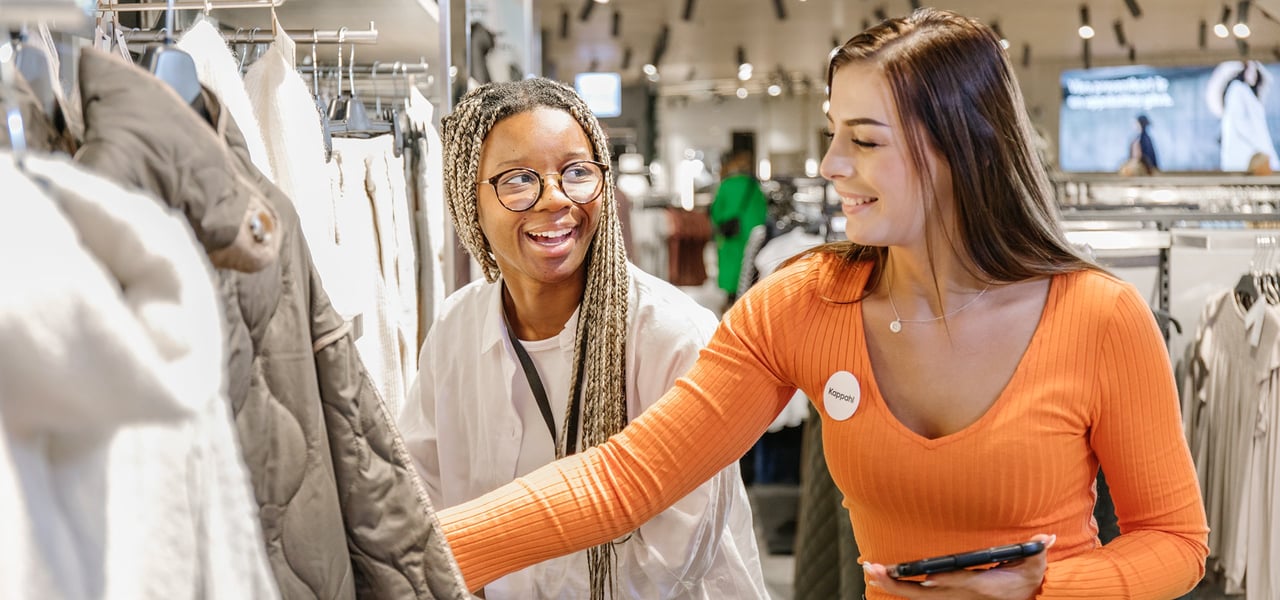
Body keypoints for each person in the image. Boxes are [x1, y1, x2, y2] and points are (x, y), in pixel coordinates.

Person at [435, 9, 1209, 599]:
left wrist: (1047, 588)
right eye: (832, 134)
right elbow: (623, 480)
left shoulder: (1098, 317)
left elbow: (1174, 539)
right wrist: (409, 553)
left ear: (957, 151)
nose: (832, 165)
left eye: (864, 140)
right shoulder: (806, 305)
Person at [397, 78, 767, 600]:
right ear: (468, 197)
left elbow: (671, 558)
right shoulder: (458, 327)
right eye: (519, 179)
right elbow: (422, 489)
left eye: (576, 173)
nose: (555, 199)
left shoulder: (671, 336)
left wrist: (488, 564)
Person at [709, 149, 768, 305]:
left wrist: (718, 227)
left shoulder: (726, 185)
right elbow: (762, 210)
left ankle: (731, 296)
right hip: (751, 233)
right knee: (747, 263)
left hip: (730, 234)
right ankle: (746, 295)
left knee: (730, 265)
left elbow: (716, 210)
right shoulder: (753, 185)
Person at [1208, 60, 1280, 172]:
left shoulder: (1248, 94)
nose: (1253, 73)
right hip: (1246, 152)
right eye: (1249, 68)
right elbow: (1239, 122)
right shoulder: (1237, 90)